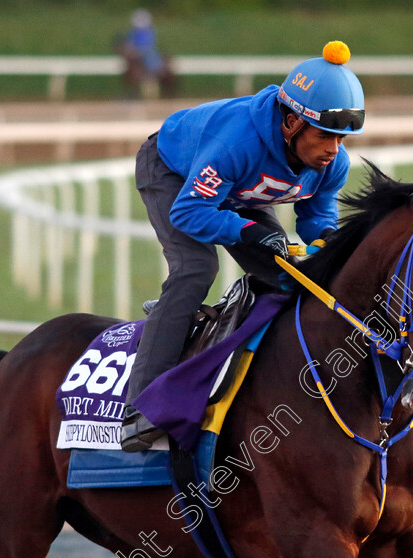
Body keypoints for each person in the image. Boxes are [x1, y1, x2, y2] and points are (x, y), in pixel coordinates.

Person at [121, 41, 366, 452]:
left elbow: (316, 218)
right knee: (196, 269)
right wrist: (248, 231)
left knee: (289, 275)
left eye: (342, 138)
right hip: (174, 174)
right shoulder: (238, 143)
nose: (334, 150)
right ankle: (142, 406)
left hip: (235, 191)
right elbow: (189, 212)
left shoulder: (332, 164)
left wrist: (326, 243)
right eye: (326, 135)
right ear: (291, 123)